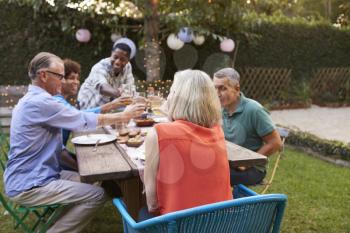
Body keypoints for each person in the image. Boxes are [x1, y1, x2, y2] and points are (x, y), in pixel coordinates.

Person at [3, 52, 145, 233]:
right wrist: (124, 115)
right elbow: (81, 120)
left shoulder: (34, 99)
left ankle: (56, 223)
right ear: (44, 75)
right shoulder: (41, 102)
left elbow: (80, 118)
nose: (63, 81)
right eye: (60, 76)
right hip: (30, 184)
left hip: (40, 173)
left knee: (92, 180)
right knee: (97, 195)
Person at [144, 69, 232, 216]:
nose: (168, 97)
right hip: (220, 223)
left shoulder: (159, 134)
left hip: (179, 226)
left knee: (138, 213)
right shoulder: (218, 131)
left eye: (171, 92)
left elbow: (152, 204)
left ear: (178, 98)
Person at [54, 58, 132, 170]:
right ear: (60, 80)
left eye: (77, 78)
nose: (76, 82)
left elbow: (78, 115)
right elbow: (79, 117)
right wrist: (83, 169)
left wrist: (113, 105)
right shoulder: (56, 103)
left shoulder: (61, 102)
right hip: (55, 167)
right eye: (72, 78)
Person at [213, 68, 282, 186]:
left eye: (223, 88)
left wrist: (247, 163)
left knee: (212, 177)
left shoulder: (254, 110)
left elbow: (275, 143)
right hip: (227, 163)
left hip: (252, 170)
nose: (217, 94)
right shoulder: (219, 109)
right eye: (215, 88)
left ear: (237, 88)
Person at [77, 38, 137, 110]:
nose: (118, 62)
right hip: (88, 108)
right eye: (115, 57)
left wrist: (136, 98)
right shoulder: (99, 67)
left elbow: (130, 86)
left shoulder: (128, 67)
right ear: (111, 54)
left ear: (128, 60)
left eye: (122, 59)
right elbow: (102, 87)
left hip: (107, 110)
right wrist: (120, 94)